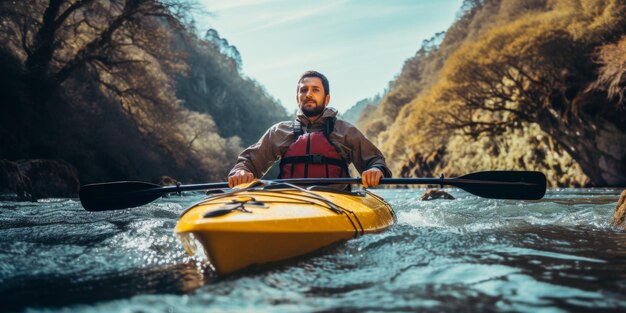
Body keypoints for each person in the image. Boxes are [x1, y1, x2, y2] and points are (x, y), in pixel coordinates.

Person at [228, 70, 391, 188]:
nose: (308, 94)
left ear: (326, 99)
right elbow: (249, 162)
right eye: (304, 90)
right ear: (297, 98)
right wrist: (241, 171)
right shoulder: (279, 132)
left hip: (337, 202)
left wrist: (375, 170)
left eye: (315, 90)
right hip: (291, 201)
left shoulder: (345, 131)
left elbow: (375, 160)